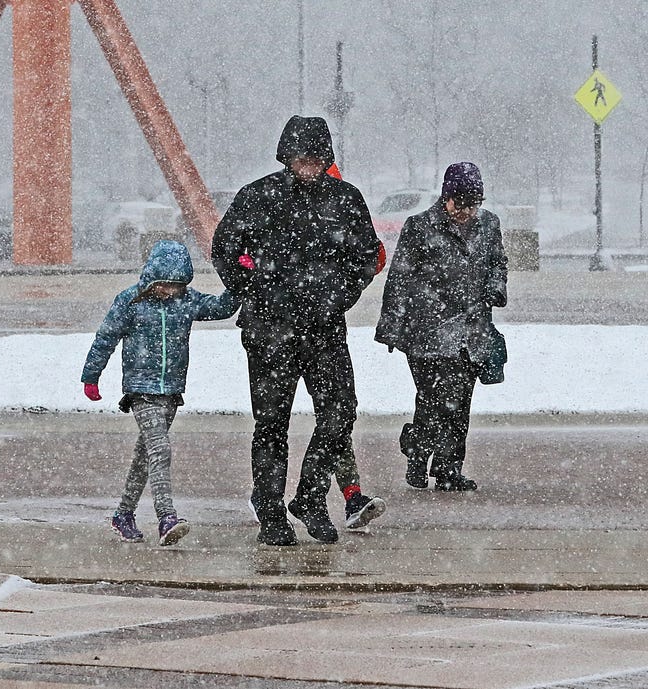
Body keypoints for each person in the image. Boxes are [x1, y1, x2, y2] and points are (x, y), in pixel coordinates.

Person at [212, 115, 381, 546]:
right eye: (300, 156)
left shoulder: (345, 199)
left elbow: (365, 257)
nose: (307, 164)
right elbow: (224, 249)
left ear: (326, 158)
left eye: (315, 157)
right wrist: (256, 292)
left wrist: (338, 296)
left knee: (341, 412)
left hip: (324, 328)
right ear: (286, 156)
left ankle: (309, 496)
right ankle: (271, 514)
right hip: (269, 332)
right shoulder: (258, 196)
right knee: (271, 425)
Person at [82, 240, 241, 547]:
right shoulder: (130, 301)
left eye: (176, 286)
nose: (170, 292)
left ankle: (123, 515)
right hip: (141, 390)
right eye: (164, 285)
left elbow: (221, 308)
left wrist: (239, 279)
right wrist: (91, 376)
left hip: (171, 391)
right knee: (161, 450)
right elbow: (105, 337)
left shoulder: (187, 300)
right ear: (152, 278)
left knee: (146, 455)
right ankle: (166, 518)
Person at [375, 162, 508, 492]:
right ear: (445, 198)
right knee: (436, 400)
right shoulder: (419, 226)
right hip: (427, 332)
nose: (465, 212)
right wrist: (392, 327)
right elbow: (400, 278)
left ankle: (447, 470)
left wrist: (496, 288)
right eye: (459, 203)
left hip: (471, 332)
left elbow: (498, 264)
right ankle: (418, 452)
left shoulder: (489, 225)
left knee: (460, 403)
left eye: (473, 204)